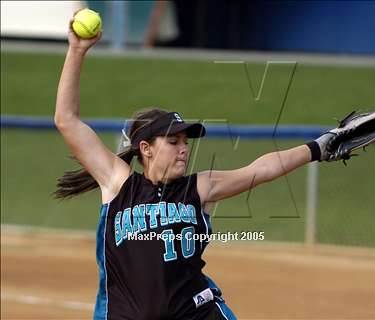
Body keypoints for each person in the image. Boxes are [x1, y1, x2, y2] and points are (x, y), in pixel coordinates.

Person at [54, 16, 333, 320]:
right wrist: (77, 51)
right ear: (146, 149)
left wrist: (316, 148)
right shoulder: (119, 183)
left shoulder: (199, 188)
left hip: (193, 311)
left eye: (185, 141)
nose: (184, 148)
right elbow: (66, 120)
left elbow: (263, 169)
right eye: (173, 141)